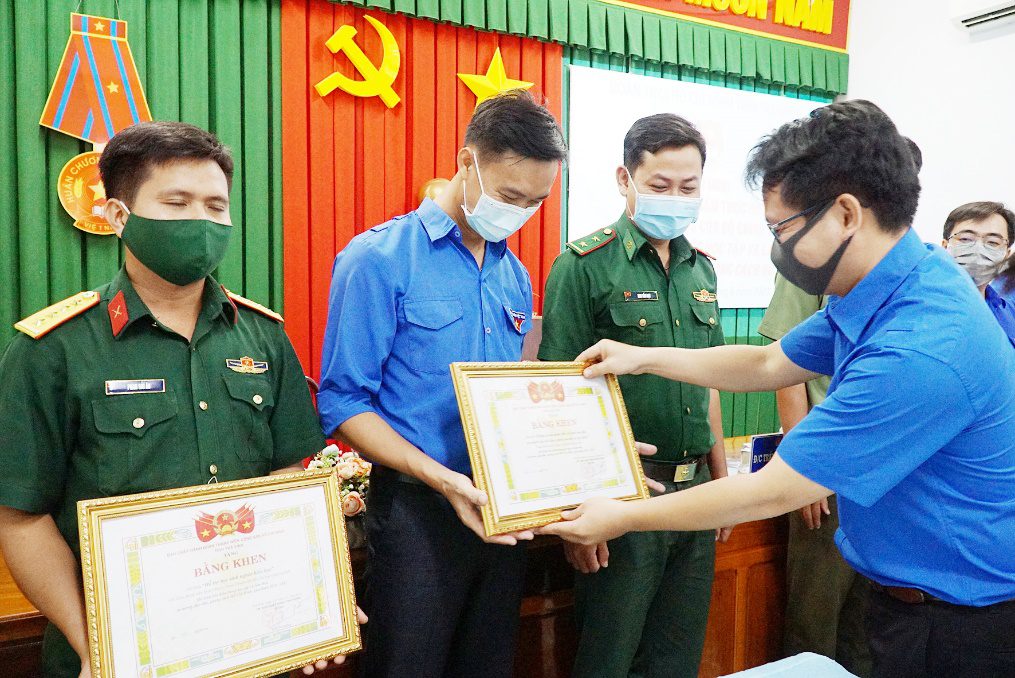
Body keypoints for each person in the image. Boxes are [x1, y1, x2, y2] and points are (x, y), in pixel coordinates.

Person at [539, 100, 1015, 678]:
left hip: (962, 622)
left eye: (782, 229)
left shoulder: (919, 347)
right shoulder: (897, 283)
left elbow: (775, 490)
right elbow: (768, 363)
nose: (778, 248)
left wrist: (622, 517)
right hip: (914, 597)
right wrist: (642, 357)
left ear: (845, 214)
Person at [0, 121, 355, 678]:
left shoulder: (264, 337)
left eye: (216, 206)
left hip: (250, 643)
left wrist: (309, 603)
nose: (201, 220)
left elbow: (287, 476)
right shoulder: (52, 349)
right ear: (119, 215)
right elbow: (21, 517)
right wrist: (95, 647)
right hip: (119, 654)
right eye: (176, 202)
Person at [317, 90, 567, 678]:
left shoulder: (513, 273)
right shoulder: (378, 259)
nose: (520, 212)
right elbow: (343, 402)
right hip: (417, 512)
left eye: (535, 202)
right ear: (466, 162)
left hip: (502, 509)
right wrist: (439, 476)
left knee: (488, 665)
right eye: (510, 196)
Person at [539, 113, 729, 678]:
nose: (676, 199)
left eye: (688, 187)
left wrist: (721, 480)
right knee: (609, 658)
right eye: (660, 185)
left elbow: (711, 376)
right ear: (625, 179)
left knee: (676, 659)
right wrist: (577, 513)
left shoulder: (702, 270)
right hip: (622, 497)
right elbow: (560, 393)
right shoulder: (583, 266)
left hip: (695, 492)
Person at [757, 275, 870, 677]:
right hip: (825, 469)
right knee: (815, 623)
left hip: (881, 473)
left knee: (867, 628)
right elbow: (785, 371)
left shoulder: (902, 267)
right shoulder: (810, 263)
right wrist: (804, 471)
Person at [940, 201, 1015, 345]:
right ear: (945, 246)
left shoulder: (1009, 313)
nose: (978, 250)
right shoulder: (920, 306)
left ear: (1006, 255)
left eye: (993, 242)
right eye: (965, 239)